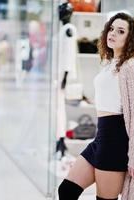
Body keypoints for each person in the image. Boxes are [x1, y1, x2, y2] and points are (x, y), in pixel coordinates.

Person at [58, 12, 134, 200]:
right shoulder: (109, 63)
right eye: (112, 28)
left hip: (116, 141)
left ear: (130, 38)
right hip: (101, 138)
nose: (113, 33)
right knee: (66, 190)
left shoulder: (132, 65)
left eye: (121, 31)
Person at [56, 1, 78, 159]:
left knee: (60, 109)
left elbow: (69, 54)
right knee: (59, 109)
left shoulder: (68, 30)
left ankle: (61, 139)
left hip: (63, 76)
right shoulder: (65, 29)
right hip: (60, 74)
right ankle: (59, 139)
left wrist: (65, 76)